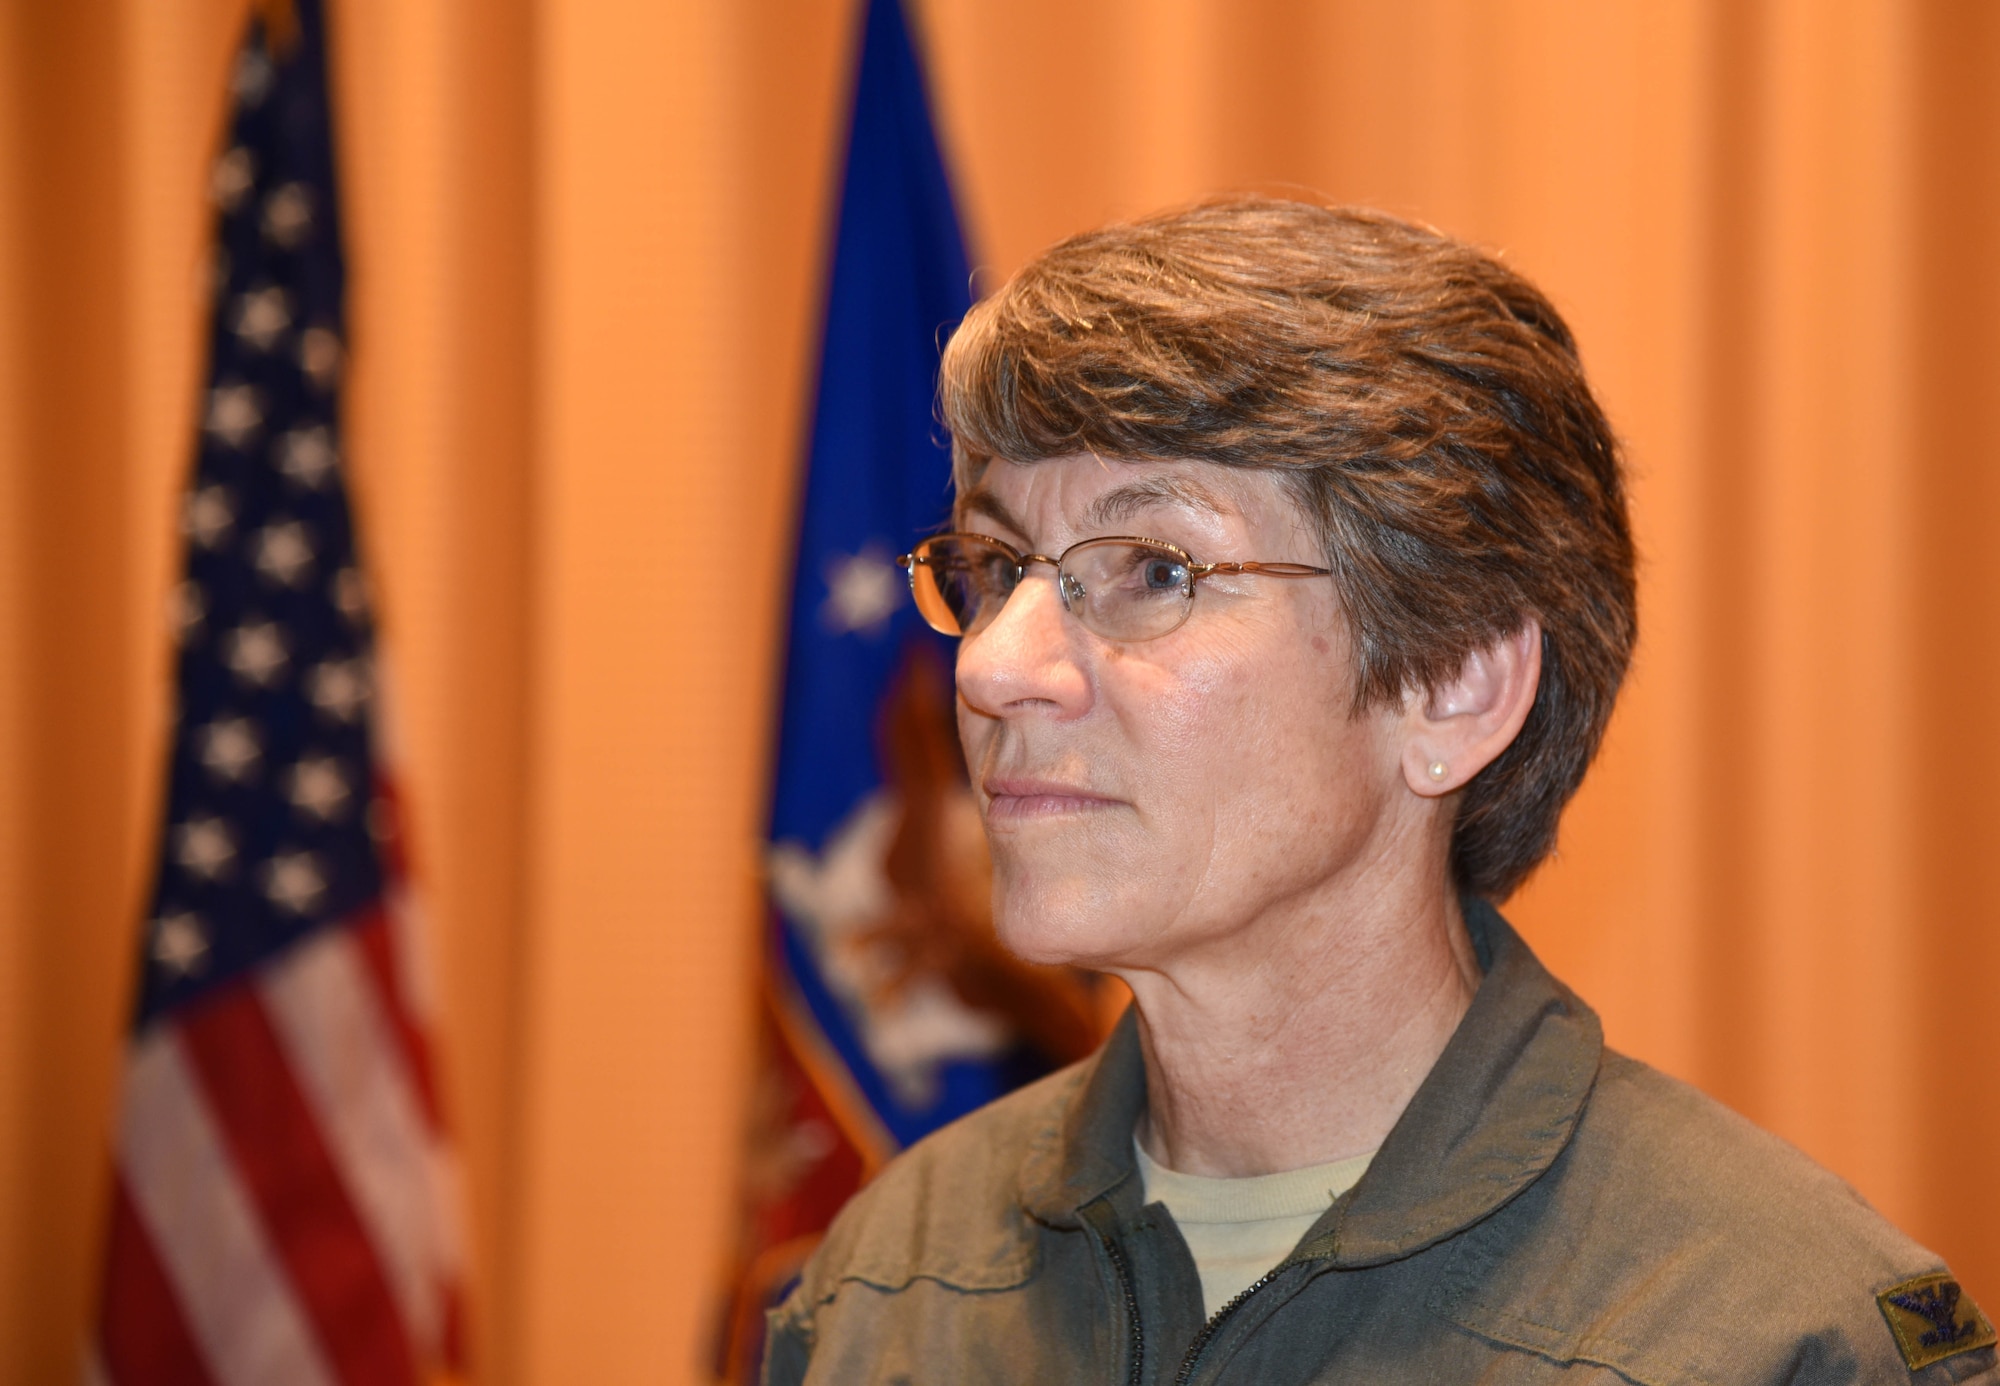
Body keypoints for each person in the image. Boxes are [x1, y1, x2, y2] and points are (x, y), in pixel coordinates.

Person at [763, 198, 1995, 1384]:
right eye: (994, 565)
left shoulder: (1768, 1338)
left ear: (1453, 686)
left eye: (1149, 567)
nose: (990, 665)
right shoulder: (888, 1279)